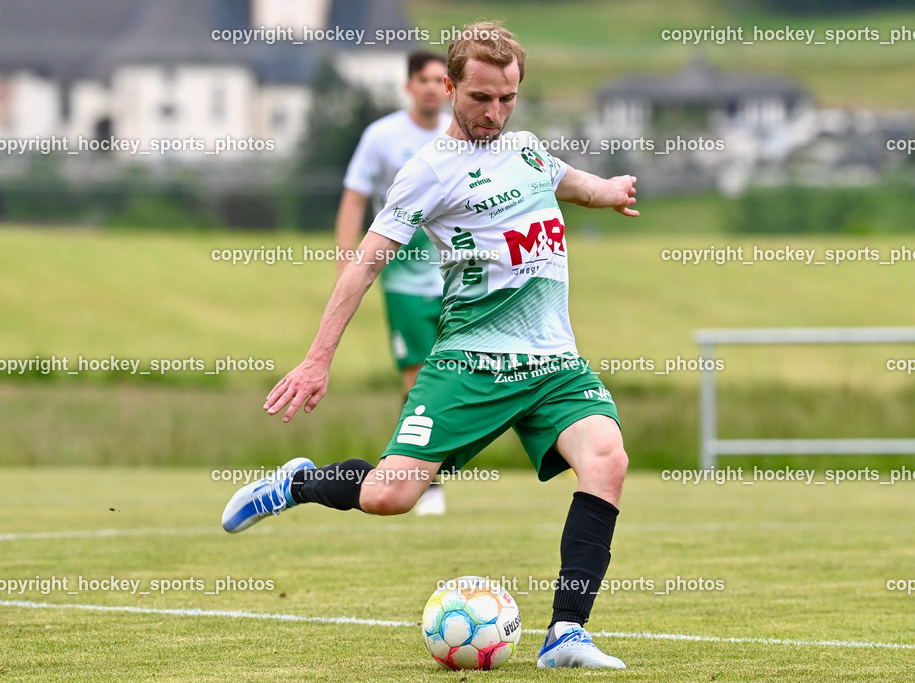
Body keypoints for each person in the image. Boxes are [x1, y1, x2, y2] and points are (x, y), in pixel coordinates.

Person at [223, 21, 638, 669]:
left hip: (555, 364)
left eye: (506, 98)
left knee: (607, 460)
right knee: (390, 496)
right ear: (449, 87)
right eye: (479, 98)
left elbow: (563, 179)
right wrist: (317, 356)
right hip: (470, 362)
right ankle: (300, 482)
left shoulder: (525, 149)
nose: (493, 113)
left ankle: (566, 631)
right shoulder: (427, 172)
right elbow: (366, 262)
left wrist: (607, 192)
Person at [335, 51, 451, 516]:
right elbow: (354, 198)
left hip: (456, 278)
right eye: (422, 79)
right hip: (403, 280)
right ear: (408, 86)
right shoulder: (381, 136)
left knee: (460, 373)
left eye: (439, 80)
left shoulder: (459, 137)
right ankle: (427, 481)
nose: (430, 87)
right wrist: (348, 264)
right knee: (417, 379)